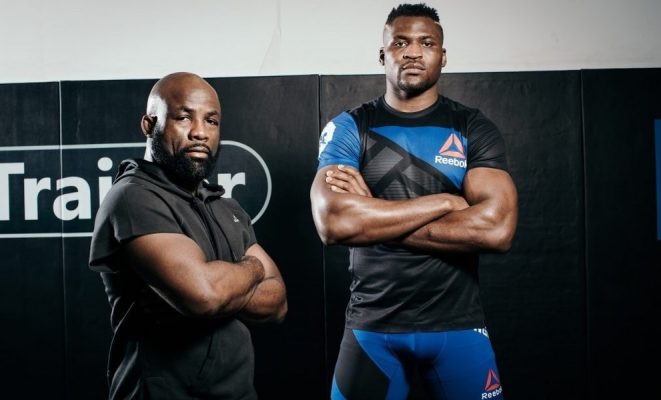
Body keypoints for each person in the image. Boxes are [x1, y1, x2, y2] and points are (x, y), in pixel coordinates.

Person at [311, 3, 518, 399]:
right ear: (382, 55)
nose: (412, 52)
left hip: (458, 326)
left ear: (443, 55)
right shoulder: (351, 127)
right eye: (400, 43)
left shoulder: (473, 127)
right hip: (373, 328)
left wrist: (373, 219)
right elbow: (334, 223)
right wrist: (445, 203)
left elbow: (497, 229)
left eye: (427, 43)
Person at [89, 72, 287, 399]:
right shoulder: (133, 197)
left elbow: (277, 303)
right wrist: (253, 269)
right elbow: (205, 296)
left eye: (211, 121)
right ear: (148, 125)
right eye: (183, 118)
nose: (200, 132)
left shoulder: (227, 207)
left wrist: (221, 286)